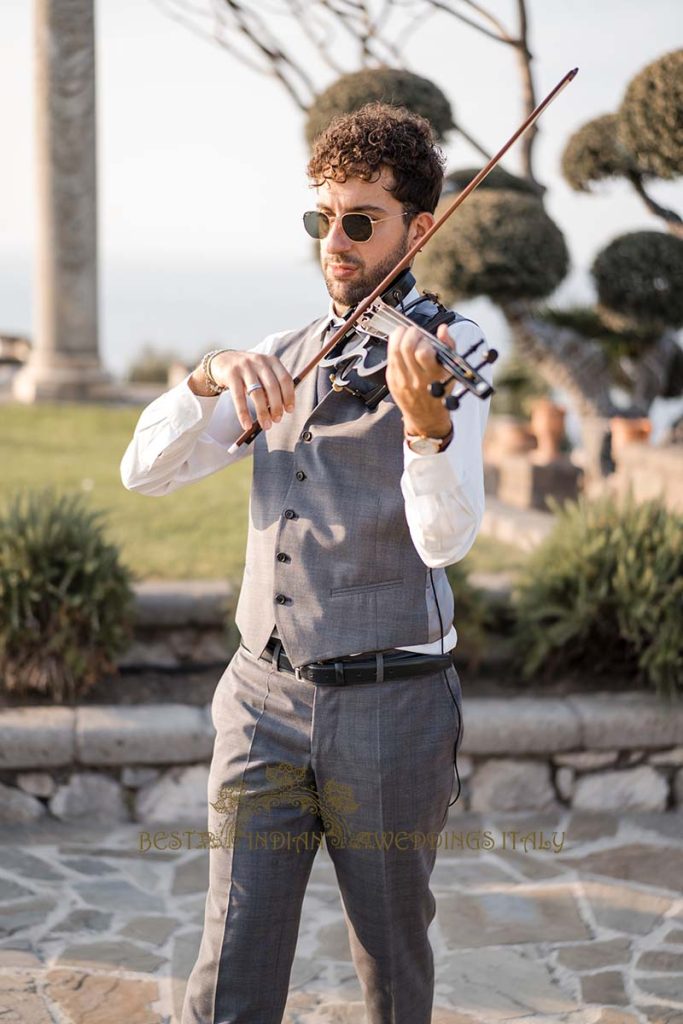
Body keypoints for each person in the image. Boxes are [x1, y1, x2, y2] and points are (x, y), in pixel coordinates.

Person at [120, 102, 492, 1024]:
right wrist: (206, 374)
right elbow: (146, 473)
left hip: (392, 705)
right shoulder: (281, 357)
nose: (335, 239)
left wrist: (427, 427)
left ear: (420, 225)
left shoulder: (455, 353)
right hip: (261, 701)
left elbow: (445, 541)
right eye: (321, 218)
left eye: (359, 221)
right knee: (232, 954)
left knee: (389, 957)